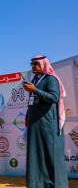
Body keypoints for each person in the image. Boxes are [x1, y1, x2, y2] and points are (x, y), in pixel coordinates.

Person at [23, 55, 68, 188]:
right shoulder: (35, 80)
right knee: (35, 154)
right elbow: (32, 101)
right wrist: (27, 116)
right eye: (31, 64)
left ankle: (56, 184)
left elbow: (54, 97)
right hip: (34, 122)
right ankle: (37, 184)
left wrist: (35, 90)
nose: (33, 67)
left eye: (36, 64)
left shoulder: (51, 79)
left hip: (48, 123)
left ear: (43, 65)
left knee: (51, 154)